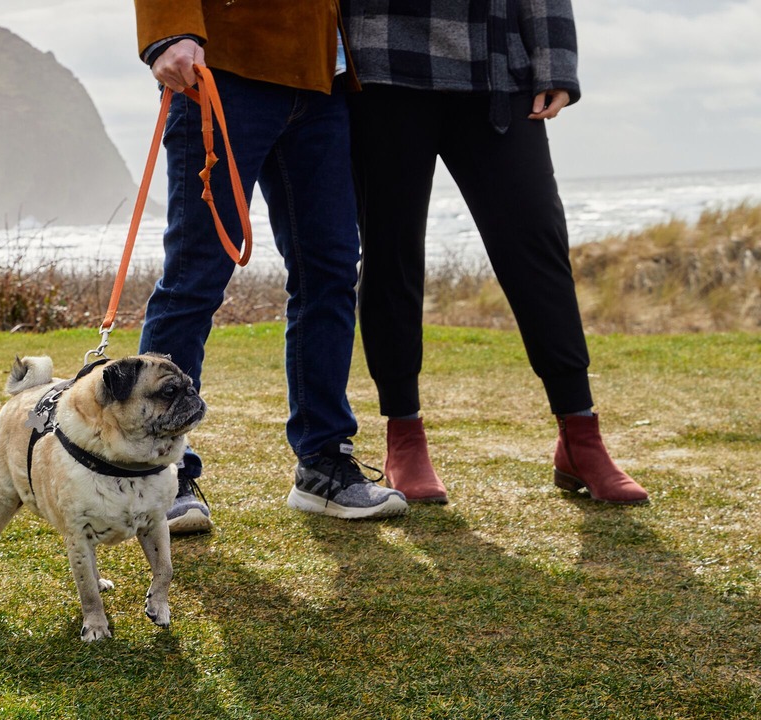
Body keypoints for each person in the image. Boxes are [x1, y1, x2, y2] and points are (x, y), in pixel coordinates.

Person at [342, 0, 649, 506]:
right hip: (382, 62)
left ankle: (580, 432)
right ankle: (404, 435)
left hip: (496, 67)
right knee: (390, 251)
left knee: (536, 247)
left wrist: (556, 63)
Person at [133, 2, 408, 534]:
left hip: (322, 81)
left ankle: (323, 465)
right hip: (224, 67)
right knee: (194, 278)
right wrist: (168, 33)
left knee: (330, 274)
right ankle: (158, 474)